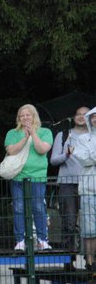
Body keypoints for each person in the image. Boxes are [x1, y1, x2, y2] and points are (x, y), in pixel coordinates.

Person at [4, 104, 54, 251]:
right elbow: (11, 151)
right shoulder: (12, 133)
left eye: (28, 114)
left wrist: (33, 134)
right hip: (18, 177)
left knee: (39, 208)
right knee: (19, 208)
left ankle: (42, 239)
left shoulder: (45, 132)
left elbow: (42, 149)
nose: (25, 117)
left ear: (34, 116)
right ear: (18, 118)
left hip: (37, 177)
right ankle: (20, 240)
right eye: (22, 115)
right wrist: (24, 138)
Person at [50, 107, 90, 252]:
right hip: (67, 184)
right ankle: (69, 261)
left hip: (90, 184)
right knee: (69, 222)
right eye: (78, 114)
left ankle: (90, 261)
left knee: (90, 223)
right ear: (74, 117)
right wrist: (66, 155)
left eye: (85, 114)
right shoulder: (63, 135)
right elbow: (53, 160)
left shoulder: (94, 136)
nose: (81, 116)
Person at [74, 108, 96, 270]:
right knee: (89, 229)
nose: (95, 120)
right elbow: (83, 159)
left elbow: (90, 156)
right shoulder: (82, 138)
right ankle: (90, 262)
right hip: (88, 189)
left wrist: (91, 155)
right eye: (93, 117)